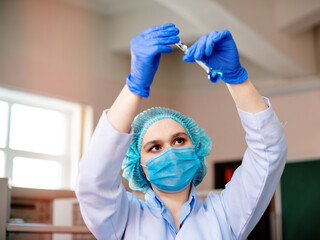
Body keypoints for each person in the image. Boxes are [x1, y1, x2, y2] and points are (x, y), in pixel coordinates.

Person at [75, 23, 287, 240]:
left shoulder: (225, 214)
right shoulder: (124, 219)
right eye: (155, 147)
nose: (170, 152)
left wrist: (237, 80)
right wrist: (134, 87)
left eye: (178, 140)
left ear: (196, 148)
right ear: (139, 165)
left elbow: (268, 152)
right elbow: (94, 180)